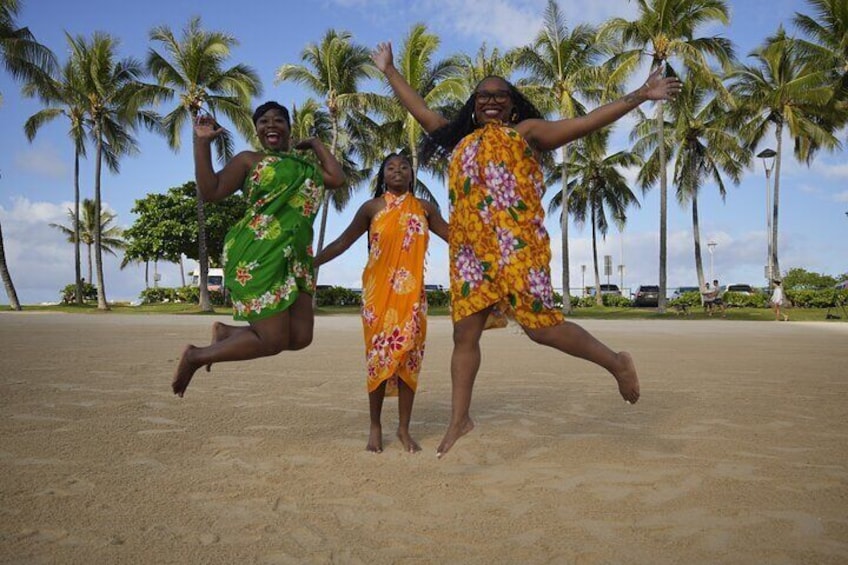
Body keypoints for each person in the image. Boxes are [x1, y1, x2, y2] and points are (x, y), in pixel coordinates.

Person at [371, 41, 682, 457]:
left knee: (542, 329)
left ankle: (616, 362)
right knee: (465, 333)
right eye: (484, 96)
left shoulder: (527, 133)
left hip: (517, 247)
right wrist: (390, 71)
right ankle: (459, 418)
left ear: (513, 104)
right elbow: (419, 108)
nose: (492, 100)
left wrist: (640, 95)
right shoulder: (458, 140)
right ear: (474, 105)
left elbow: (585, 122)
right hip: (470, 254)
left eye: (501, 95)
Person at [171, 102, 345, 397]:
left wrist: (316, 143)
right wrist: (202, 143)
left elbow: (337, 179)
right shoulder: (249, 160)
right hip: (259, 253)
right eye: (264, 121)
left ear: (290, 129)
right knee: (273, 341)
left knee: (301, 337)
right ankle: (195, 356)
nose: (271, 125)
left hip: (297, 258)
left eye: (279, 120)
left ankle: (227, 333)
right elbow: (211, 191)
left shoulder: (307, 168)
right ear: (257, 130)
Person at [315, 153, 449, 453]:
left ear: (412, 174)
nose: (398, 171)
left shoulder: (425, 209)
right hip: (377, 296)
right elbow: (342, 242)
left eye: (404, 167)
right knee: (378, 360)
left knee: (408, 361)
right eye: (391, 167)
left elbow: (452, 234)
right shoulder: (371, 208)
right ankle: (375, 426)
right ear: (383, 175)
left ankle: (403, 429)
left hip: (413, 297)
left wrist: (484, 240)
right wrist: (312, 261)